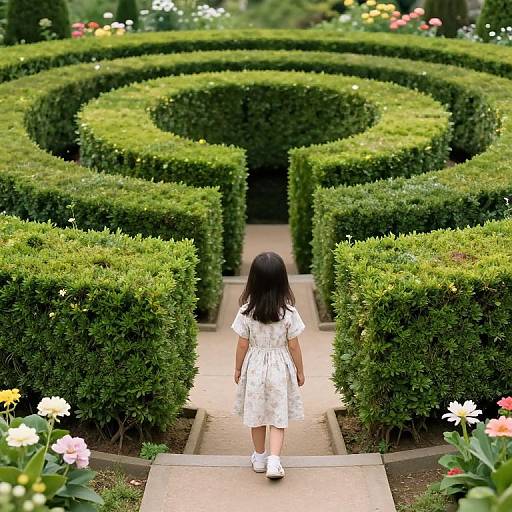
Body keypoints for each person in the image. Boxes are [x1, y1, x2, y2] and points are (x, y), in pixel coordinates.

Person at [232, 251, 305, 480]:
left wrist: (237, 368)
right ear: (283, 281)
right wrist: (300, 371)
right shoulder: (288, 313)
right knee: (277, 415)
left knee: (257, 415)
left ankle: (260, 457)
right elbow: (294, 346)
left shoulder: (246, 312)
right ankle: (275, 460)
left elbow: (242, 345)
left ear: (252, 280)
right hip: (279, 368)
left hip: (254, 368)